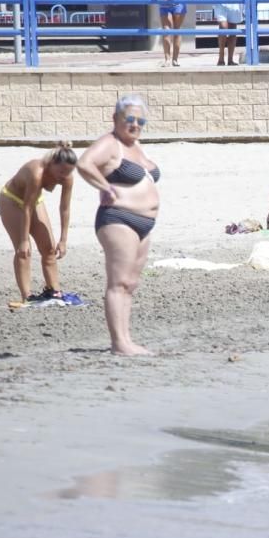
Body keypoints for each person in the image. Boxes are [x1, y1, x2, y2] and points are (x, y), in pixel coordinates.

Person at [77, 95, 160, 356]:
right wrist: (105, 187)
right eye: (130, 119)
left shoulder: (137, 146)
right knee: (118, 282)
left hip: (144, 224)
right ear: (116, 119)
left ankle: (126, 339)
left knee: (131, 283)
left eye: (141, 120)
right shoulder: (110, 143)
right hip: (119, 219)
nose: (136, 125)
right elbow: (84, 163)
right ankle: (119, 343)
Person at [0, 142, 77, 305]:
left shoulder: (67, 177)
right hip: (12, 199)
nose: (64, 176)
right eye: (61, 171)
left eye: (68, 172)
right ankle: (26, 296)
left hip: (34, 201)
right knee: (24, 251)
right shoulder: (37, 173)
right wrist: (24, 240)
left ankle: (54, 291)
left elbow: (65, 208)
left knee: (49, 249)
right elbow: (26, 207)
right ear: (51, 164)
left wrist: (63, 240)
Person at [192, 0, 268, 66]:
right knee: (223, 27)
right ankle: (221, 57)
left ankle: (230, 59)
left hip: (234, 0)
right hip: (219, 0)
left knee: (232, 31)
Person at [153, 0, 186, 67]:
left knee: (177, 31)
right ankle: (167, 59)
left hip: (177, 4)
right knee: (166, 31)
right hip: (164, 5)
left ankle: (175, 59)